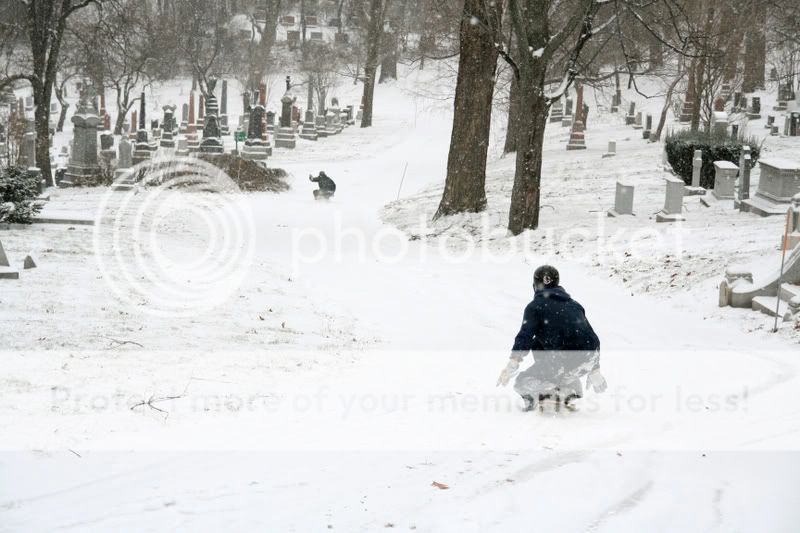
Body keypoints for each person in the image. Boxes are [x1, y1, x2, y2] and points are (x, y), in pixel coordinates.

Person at [496, 265, 607, 411]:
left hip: (564, 360)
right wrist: (595, 369)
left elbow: (525, 336)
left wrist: (512, 364)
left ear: (535, 286)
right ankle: (571, 387)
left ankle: (553, 391)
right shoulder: (574, 305)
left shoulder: (535, 306)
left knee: (521, 382)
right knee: (538, 343)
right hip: (588, 358)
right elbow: (589, 336)